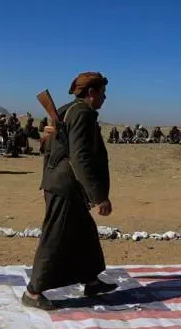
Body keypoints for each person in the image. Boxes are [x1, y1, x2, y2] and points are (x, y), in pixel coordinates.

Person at [23, 72, 118, 310]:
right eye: (103, 93)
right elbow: (80, 156)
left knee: (84, 231)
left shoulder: (66, 110)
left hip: (62, 182)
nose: (105, 98)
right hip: (63, 185)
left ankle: (91, 281)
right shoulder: (83, 114)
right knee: (54, 237)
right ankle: (33, 292)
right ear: (91, 92)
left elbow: (48, 145)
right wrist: (98, 196)